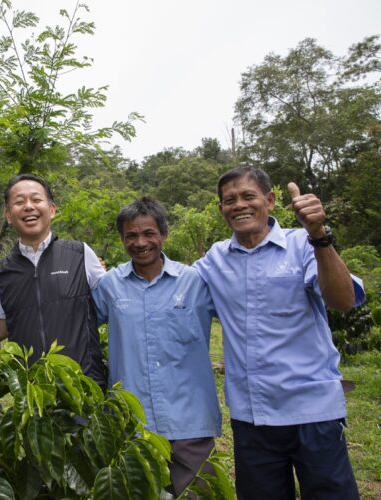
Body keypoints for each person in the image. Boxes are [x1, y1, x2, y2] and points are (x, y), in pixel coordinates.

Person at [194, 166, 365, 499]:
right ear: (221, 210)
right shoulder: (215, 259)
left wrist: (319, 233)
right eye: (229, 200)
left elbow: (343, 300)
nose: (239, 205)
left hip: (313, 410)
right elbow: (175, 292)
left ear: (270, 201)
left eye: (248, 196)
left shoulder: (303, 244)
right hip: (252, 416)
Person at [92, 197, 221, 497]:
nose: (140, 242)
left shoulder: (195, 282)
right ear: (122, 239)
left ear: (163, 234)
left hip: (191, 421)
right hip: (132, 424)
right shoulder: (110, 286)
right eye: (131, 236)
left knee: (196, 494)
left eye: (149, 233)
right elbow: (81, 329)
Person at [0, 174, 106, 388]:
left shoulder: (80, 253)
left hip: (84, 390)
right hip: (32, 396)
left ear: (52, 209)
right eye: (19, 202)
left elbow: (111, 306)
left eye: (36, 200)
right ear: (8, 215)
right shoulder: (1, 272)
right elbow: (1, 328)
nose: (28, 207)